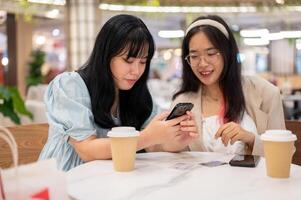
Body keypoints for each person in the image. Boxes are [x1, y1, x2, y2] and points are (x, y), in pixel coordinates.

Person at [39, 14, 197, 171]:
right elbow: (86, 150)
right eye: (128, 61)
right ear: (106, 55)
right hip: (63, 179)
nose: (136, 71)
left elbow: (152, 145)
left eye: (143, 62)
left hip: (108, 181)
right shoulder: (70, 85)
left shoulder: (135, 92)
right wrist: (149, 136)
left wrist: (175, 140)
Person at [165, 15, 285, 155]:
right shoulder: (182, 102)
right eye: (194, 56)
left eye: (211, 53)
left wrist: (251, 139)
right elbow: (174, 158)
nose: (202, 63)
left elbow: (283, 153)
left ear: (227, 53)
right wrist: (172, 143)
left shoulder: (265, 93)